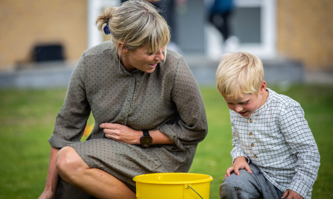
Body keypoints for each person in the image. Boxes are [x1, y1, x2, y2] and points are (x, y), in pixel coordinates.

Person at [39, 1, 208, 199]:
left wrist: (141, 136)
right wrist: (48, 191)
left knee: (69, 161)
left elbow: (196, 128)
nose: (161, 57)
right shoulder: (90, 63)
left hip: (162, 155)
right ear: (124, 47)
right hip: (107, 149)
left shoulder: (174, 67)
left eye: (163, 48)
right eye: (151, 52)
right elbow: (66, 129)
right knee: (66, 187)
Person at [215, 52, 320, 199]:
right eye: (230, 103)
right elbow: (238, 139)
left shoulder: (285, 109)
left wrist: (299, 188)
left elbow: (308, 153)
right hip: (255, 176)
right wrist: (239, 158)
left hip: (287, 185)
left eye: (244, 102)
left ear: (261, 88)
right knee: (231, 185)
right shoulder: (239, 109)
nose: (237, 109)